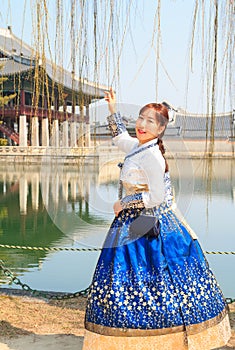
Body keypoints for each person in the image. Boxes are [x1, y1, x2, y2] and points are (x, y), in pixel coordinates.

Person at [82, 88, 231, 350]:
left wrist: (123, 203)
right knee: (128, 280)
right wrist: (113, 109)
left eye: (150, 121)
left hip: (150, 223)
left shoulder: (152, 155)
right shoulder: (139, 147)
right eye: (140, 118)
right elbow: (120, 138)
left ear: (161, 129)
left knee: (151, 278)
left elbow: (156, 198)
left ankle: (164, 339)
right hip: (132, 221)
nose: (142, 124)